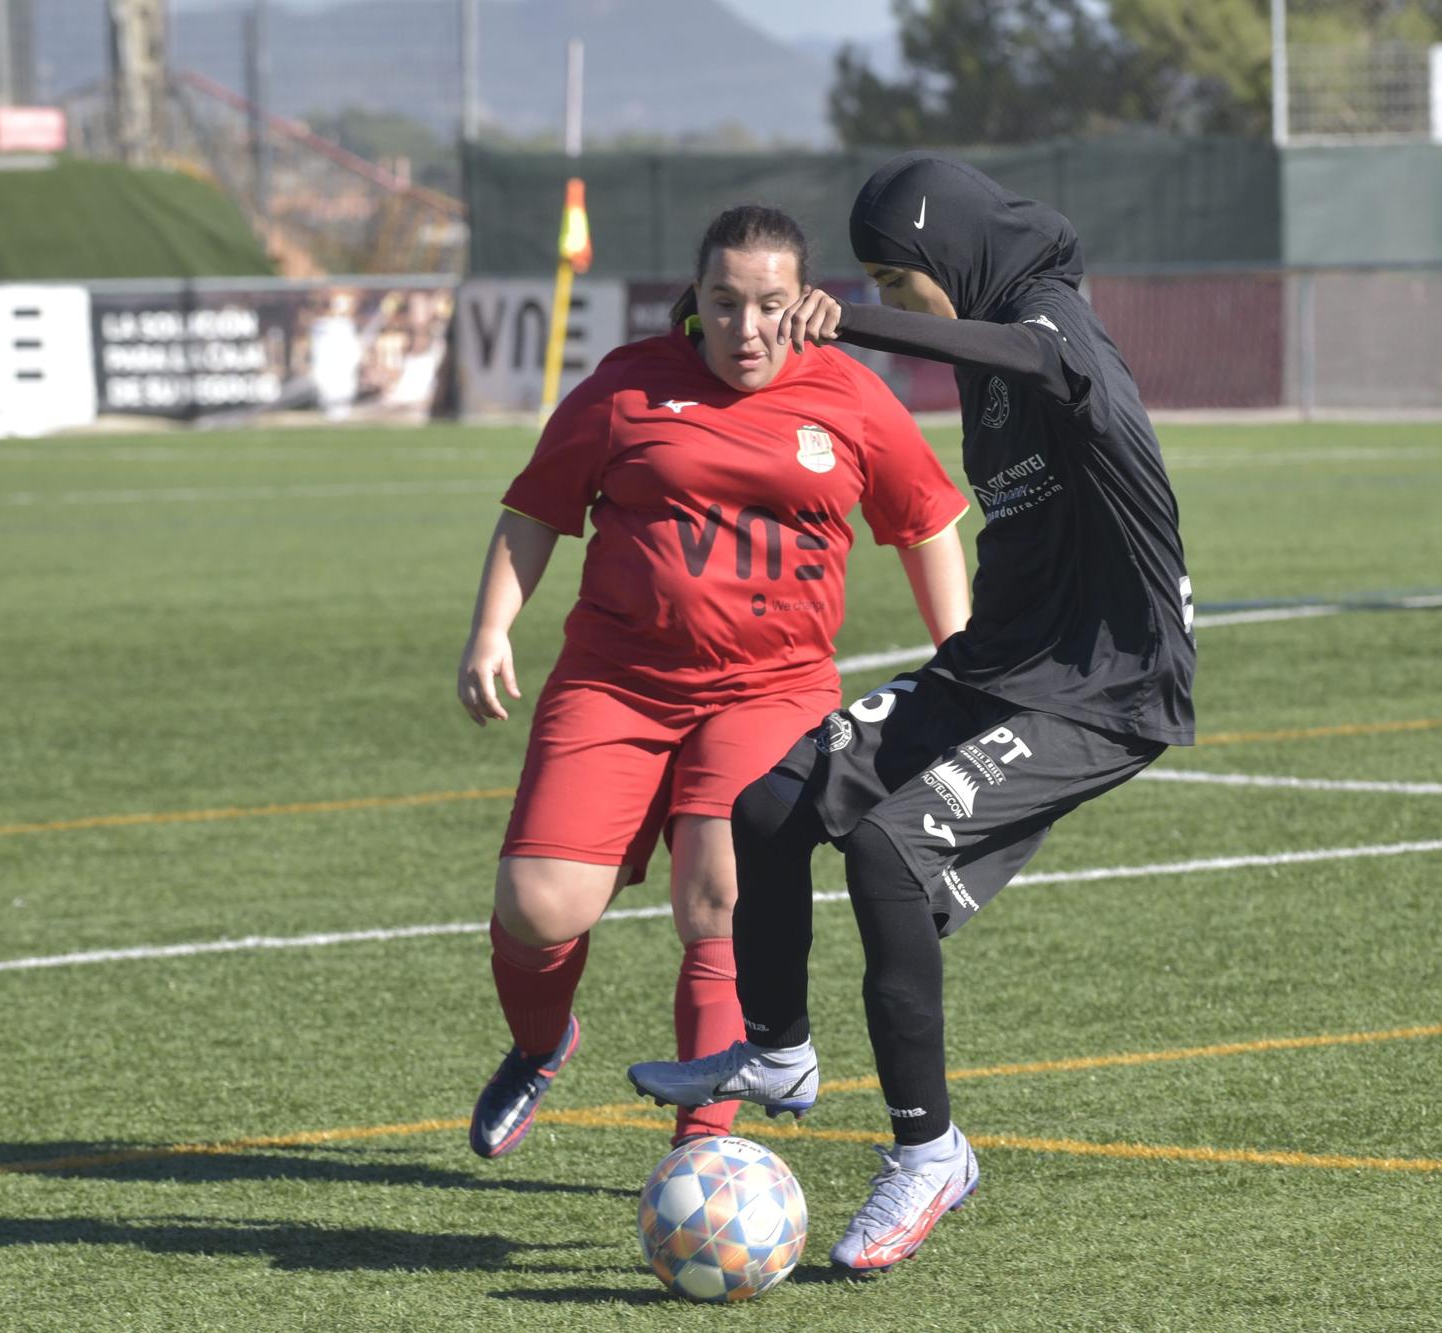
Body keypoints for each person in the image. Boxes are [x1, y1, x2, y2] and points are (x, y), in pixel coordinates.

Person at [627, 152, 1197, 1274]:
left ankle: (929, 1151)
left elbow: (1035, 357)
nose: (892, 297)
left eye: (901, 276)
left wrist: (859, 329)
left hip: (1106, 682)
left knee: (888, 849)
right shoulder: (987, 335)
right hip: (1000, 661)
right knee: (772, 803)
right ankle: (778, 1051)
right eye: (879, 281)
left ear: (953, 254)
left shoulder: (1049, 320)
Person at [458, 204, 973, 1160]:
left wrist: (963, 658)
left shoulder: (851, 394)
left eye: (770, 305)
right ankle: (539, 1045)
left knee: (719, 899)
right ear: (695, 298)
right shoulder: (625, 388)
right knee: (538, 906)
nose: (747, 328)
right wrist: (492, 628)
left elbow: (927, 520)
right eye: (725, 302)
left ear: (805, 303)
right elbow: (536, 507)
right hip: (616, 683)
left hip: (773, 691)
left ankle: (707, 1149)